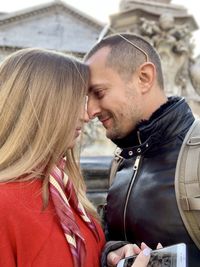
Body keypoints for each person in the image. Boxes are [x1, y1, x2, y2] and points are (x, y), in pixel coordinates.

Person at [0, 47, 151, 267]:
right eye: (76, 102)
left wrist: (109, 256)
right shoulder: (6, 205)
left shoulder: (64, 189)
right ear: (44, 107)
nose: (87, 115)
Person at [84, 33, 200, 267]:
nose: (90, 111)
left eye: (99, 93)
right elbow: (115, 236)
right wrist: (111, 252)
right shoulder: (121, 158)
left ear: (144, 78)